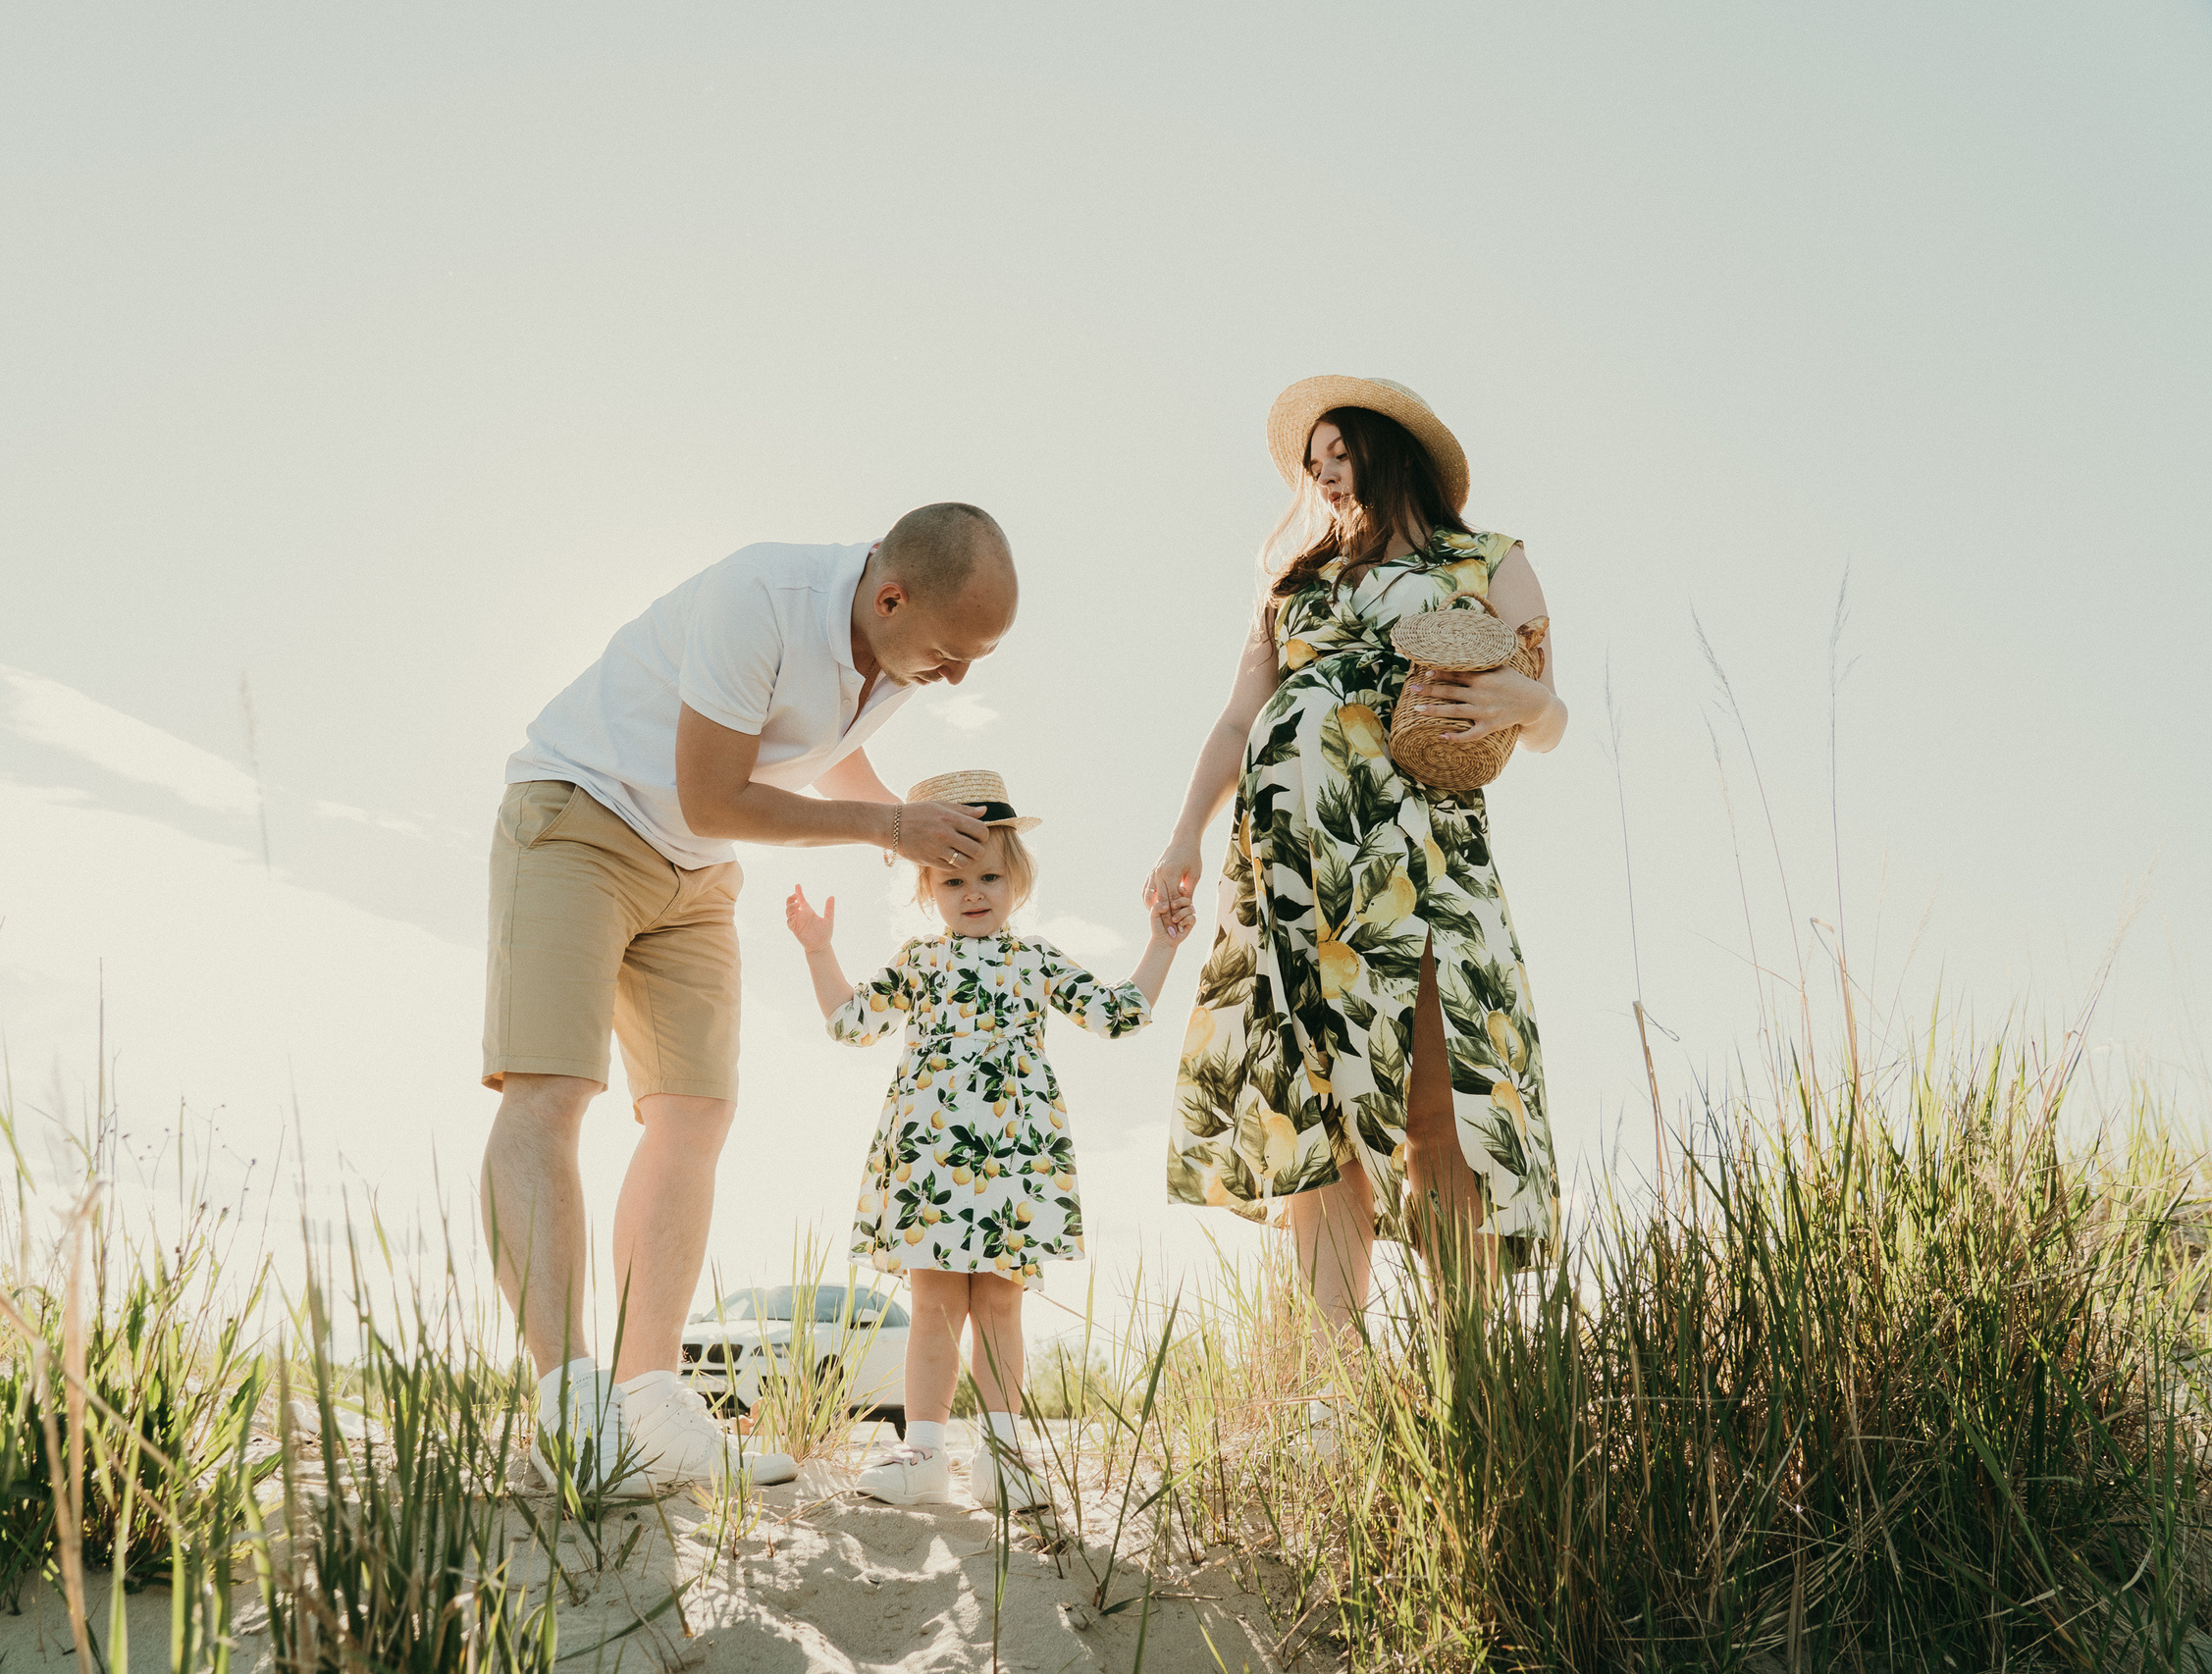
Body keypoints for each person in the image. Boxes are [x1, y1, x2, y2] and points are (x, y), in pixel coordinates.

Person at [486, 504, 1019, 1493]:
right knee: (551, 1091)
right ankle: (570, 1409)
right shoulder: (760, 599)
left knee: (695, 1111)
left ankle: (650, 1405)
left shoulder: (895, 650)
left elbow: (834, 759)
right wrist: (885, 827)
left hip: (692, 870)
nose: (956, 678)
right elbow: (713, 793)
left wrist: (921, 824)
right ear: (890, 595)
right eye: (949, 652)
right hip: (580, 815)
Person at [1145, 375, 1565, 1352]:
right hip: (1290, 870)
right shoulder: (1294, 582)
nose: (1326, 475)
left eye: (1342, 453)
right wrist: (1183, 834)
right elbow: (1238, 716)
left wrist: (1525, 707)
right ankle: (1336, 1379)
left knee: (1440, 1090)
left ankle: (1471, 1363)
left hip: (1420, 857)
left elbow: (1548, 708)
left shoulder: (1487, 560)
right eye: (1314, 462)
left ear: (1392, 450)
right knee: (1316, 1107)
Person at [783, 769, 1190, 1510]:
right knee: (935, 1300)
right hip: (933, 1159)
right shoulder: (920, 961)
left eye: (990, 876)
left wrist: (1161, 943)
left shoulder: (1033, 960)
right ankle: (924, 1452)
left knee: (1002, 1304)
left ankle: (1005, 1457)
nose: (973, 892)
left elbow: (1118, 1014)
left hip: (1015, 1155)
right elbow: (851, 1024)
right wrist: (818, 950)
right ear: (925, 892)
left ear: (1019, 881)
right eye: (951, 880)